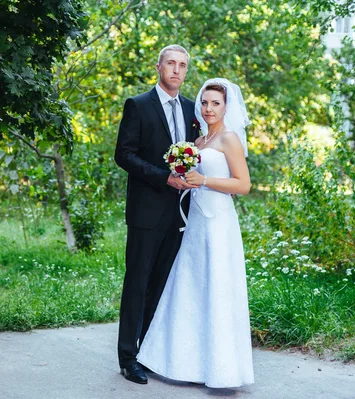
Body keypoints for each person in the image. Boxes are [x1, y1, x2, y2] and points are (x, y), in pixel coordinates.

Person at [136, 78, 255, 388]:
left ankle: (222, 370)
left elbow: (243, 185)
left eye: (215, 103)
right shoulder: (197, 143)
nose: (208, 108)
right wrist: (182, 177)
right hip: (195, 222)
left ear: (227, 107)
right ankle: (184, 364)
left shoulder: (229, 139)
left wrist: (203, 181)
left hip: (218, 222)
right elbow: (191, 176)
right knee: (191, 286)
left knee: (216, 286)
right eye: (204, 102)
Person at [114, 44, 200, 384]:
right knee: (137, 283)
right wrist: (162, 177)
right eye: (171, 64)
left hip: (181, 215)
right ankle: (127, 358)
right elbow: (124, 155)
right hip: (146, 211)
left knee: (161, 286)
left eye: (182, 65)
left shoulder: (194, 109)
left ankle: (148, 353)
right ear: (159, 67)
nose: (176, 70)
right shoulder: (138, 105)